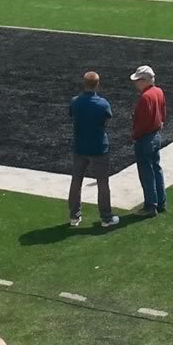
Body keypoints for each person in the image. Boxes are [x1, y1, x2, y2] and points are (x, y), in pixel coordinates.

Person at [66, 72, 118, 228]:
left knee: (76, 181)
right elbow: (107, 118)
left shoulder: (75, 102)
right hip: (98, 147)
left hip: (80, 147)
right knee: (103, 183)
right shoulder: (102, 104)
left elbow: (72, 115)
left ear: (84, 83)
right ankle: (106, 217)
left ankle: (74, 216)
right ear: (97, 84)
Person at [130, 65, 167, 215]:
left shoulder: (145, 97)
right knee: (156, 169)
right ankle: (161, 202)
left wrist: (134, 135)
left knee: (146, 173)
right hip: (155, 135)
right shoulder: (158, 91)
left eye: (138, 80)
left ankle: (150, 206)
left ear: (144, 80)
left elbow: (142, 122)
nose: (136, 83)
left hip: (145, 138)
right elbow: (163, 112)